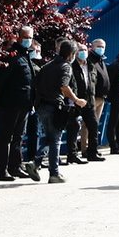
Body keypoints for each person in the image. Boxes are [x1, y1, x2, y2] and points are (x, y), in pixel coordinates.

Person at [32, 39, 86, 183]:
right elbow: (64, 87)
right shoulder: (65, 66)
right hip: (55, 106)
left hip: (41, 106)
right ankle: (54, 173)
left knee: (49, 138)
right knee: (55, 139)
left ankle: (35, 164)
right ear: (71, 54)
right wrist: (76, 100)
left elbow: (36, 84)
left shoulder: (47, 65)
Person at [0, 27, 37, 181]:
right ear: (18, 37)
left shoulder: (25, 56)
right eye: (25, 37)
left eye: (30, 37)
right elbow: (0, 82)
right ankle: (1, 170)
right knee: (6, 137)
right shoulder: (11, 56)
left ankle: (15, 167)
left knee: (18, 137)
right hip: (10, 105)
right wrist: (0, 102)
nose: (28, 40)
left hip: (24, 105)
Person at [65, 44, 102, 164]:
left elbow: (93, 82)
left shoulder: (91, 66)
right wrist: (74, 99)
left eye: (85, 50)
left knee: (93, 126)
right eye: (81, 50)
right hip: (75, 101)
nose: (83, 52)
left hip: (89, 101)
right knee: (74, 128)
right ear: (76, 52)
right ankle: (72, 155)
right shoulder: (71, 66)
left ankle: (92, 153)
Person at [85, 38, 110, 157]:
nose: (101, 49)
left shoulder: (101, 60)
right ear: (92, 47)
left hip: (102, 97)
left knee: (95, 124)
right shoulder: (90, 60)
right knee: (89, 124)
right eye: (98, 46)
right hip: (93, 97)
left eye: (103, 47)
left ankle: (93, 146)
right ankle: (85, 148)